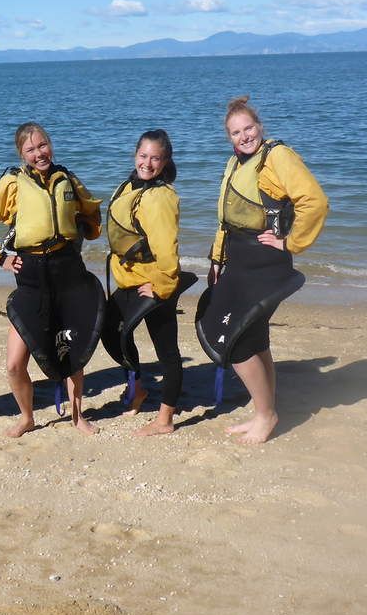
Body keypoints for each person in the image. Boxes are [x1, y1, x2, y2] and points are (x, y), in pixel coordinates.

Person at [201, 95, 328, 444]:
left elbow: (314, 200)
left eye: (248, 128)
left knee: (234, 341)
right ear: (228, 137)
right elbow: (224, 220)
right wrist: (216, 260)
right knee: (254, 336)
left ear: (260, 126)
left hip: (264, 263)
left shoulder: (276, 157)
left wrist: (291, 242)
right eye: (235, 133)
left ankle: (266, 414)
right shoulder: (235, 163)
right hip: (237, 261)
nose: (243, 137)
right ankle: (264, 411)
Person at [0, 121, 103, 438]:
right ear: (21, 153)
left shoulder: (66, 177)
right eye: (31, 149)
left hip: (68, 271)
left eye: (43, 145)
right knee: (15, 364)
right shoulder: (12, 184)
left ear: (50, 144)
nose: (39, 153)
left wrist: (87, 228)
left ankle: (77, 416)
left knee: (73, 353)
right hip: (32, 276)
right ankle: (27, 417)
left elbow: (91, 210)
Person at [101, 129, 195, 436]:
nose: (147, 163)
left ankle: (165, 419)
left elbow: (167, 249)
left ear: (165, 161)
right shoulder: (132, 184)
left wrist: (162, 286)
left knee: (167, 351)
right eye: (143, 156)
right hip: (130, 281)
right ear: (135, 154)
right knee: (112, 333)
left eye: (155, 158)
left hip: (153, 285)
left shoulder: (159, 197)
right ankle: (138, 389)